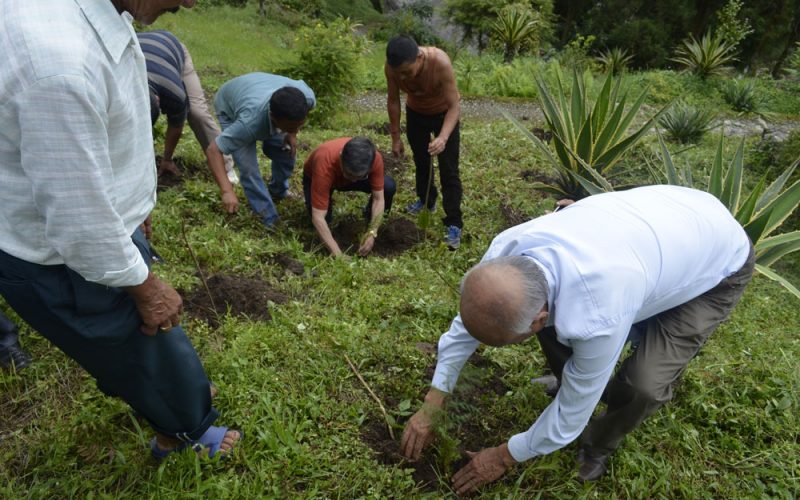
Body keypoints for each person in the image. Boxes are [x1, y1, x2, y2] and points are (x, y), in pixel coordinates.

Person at [0, 0, 240, 459]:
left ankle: (160, 391)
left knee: (137, 341)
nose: (189, 3)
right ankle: (182, 433)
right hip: (66, 257)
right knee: (141, 338)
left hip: (90, 223)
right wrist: (146, 288)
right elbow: (80, 224)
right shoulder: (59, 68)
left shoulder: (84, 15)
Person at [400, 186, 754, 493]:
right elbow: (467, 326)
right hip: (658, 233)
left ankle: (598, 445)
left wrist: (506, 456)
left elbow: (570, 416)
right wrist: (435, 400)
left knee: (644, 384)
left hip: (715, 263)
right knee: (570, 342)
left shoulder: (599, 311)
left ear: (539, 317)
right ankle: (572, 377)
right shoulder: (505, 255)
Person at [206, 72, 316, 228]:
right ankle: (269, 218)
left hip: (258, 87)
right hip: (229, 104)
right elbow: (213, 150)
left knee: (285, 152)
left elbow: (294, 121)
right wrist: (226, 190)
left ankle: (278, 191)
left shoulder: (307, 98)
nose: (297, 129)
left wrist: (292, 133)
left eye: (300, 124)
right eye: (292, 126)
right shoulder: (248, 124)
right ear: (273, 117)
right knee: (248, 168)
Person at [385, 35, 464, 249]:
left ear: (420, 57)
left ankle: (454, 222)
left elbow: (454, 106)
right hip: (416, 114)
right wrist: (396, 137)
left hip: (443, 114)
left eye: (407, 72)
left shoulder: (440, 62)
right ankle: (427, 201)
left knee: (449, 170)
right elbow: (393, 100)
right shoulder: (393, 68)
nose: (404, 78)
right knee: (421, 161)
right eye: (400, 74)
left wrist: (443, 137)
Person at [138, 29, 238, 184]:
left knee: (197, 113)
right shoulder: (121, 84)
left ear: (158, 100)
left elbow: (176, 126)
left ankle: (226, 166)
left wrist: (167, 159)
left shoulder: (175, 93)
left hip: (173, 50)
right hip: (141, 47)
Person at [303, 137, 397, 257]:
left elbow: (379, 198)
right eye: (349, 174)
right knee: (324, 220)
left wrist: (372, 231)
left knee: (388, 187)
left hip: (344, 173)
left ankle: (369, 217)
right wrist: (337, 253)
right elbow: (318, 217)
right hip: (317, 176)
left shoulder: (373, 158)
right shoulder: (324, 163)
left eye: (358, 176)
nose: (352, 179)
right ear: (341, 156)